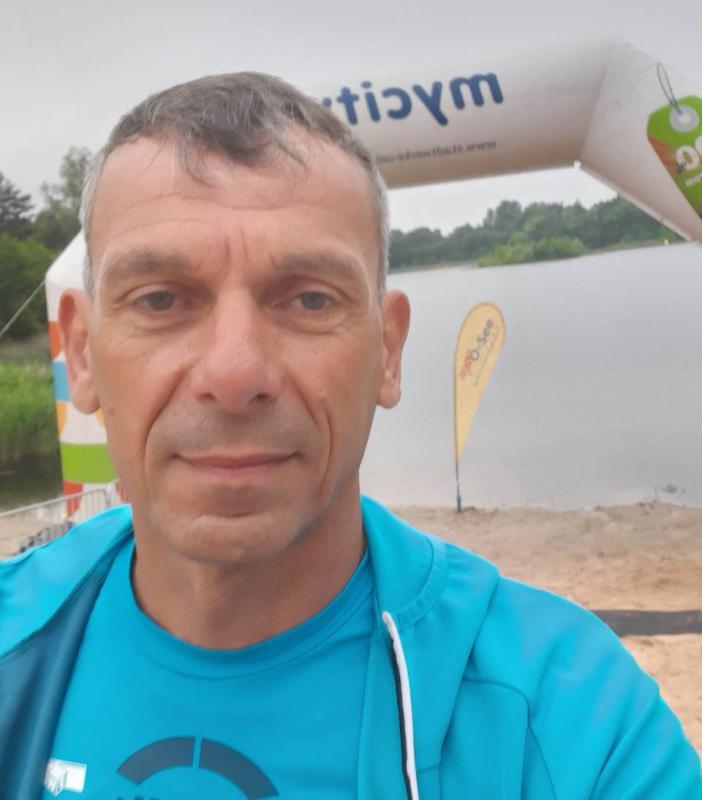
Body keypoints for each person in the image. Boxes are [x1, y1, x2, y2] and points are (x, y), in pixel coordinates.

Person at [1, 73, 700, 800]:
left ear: (388, 352)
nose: (235, 373)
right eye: (160, 299)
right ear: (81, 354)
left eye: (309, 299)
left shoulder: (567, 718)